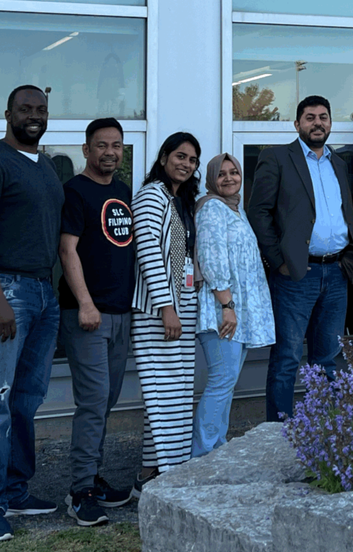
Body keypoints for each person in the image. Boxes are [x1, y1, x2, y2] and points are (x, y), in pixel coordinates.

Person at [0, 85, 64, 542]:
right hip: (4, 292)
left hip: (42, 293)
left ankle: (15, 490)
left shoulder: (45, 168)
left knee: (26, 399)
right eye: (26, 109)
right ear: (7, 113)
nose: (34, 115)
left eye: (41, 109)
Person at [248, 96, 353, 422]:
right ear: (297, 123)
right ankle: (277, 434)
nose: (318, 123)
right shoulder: (276, 158)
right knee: (286, 357)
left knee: (327, 357)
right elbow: (258, 212)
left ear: (330, 123)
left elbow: (345, 213)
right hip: (295, 275)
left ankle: (326, 430)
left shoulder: (338, 163)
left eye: (324, 117)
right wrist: (278, 261)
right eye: (310, 117)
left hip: (336, 271)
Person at [58, 118, 135, 527]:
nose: (110, 152)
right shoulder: (75, 192)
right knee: (92, 403)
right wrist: (86, 303)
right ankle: (80, 491)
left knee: (105, 402)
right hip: (88, 315)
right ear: (86, 150)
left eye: (117, 146)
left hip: (121, 314)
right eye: (102, 145)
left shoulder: (123, 192)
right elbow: (68, 251)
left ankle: (93, 477)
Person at [130, 132, 201, 496]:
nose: (186, 164)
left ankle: (151, 473)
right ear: (163, 157)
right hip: (158, 310)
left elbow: (181, 258)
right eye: (180, 156)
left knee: (175, 394)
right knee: (162, 392)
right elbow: (149, 257)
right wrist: (167, 308)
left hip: (181, 306)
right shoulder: (150, 197)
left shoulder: (177, 201)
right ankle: (173, 477)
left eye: (192, 160)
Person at [193, 153, 274, 457]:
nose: (228, 178)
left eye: (234, 172)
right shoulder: (212, 208)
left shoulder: (235, 210)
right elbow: (212, 260)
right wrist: (227, 305)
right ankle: (202, 453)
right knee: (221, 380)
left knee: (226, 382)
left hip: (233, 312)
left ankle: (216, 446)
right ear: (211, 180)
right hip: (221, 311)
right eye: (221, 174)